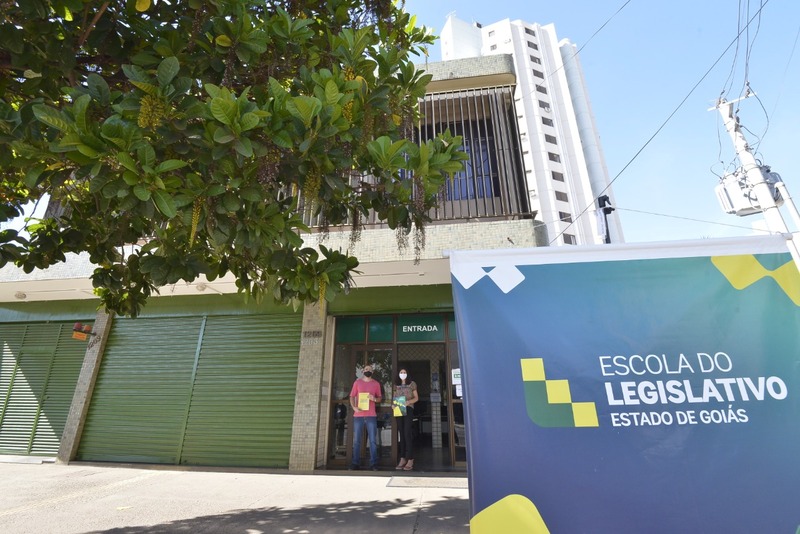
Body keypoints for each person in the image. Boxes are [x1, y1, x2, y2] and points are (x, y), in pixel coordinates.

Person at [349, 363, 382, 470]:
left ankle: (374, 464)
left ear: (372, 372)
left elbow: (380, 398)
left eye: (370, 369)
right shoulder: (357, 382)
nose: (368, 370)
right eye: (366, 369)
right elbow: (352, 396)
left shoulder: (376, 384)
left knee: (372, 441)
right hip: (358, 415)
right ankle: (355, 463)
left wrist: (374, 399)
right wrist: (354, 407)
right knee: (357, 441)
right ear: (363, 371)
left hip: (371, 415)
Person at [393, 368, 419, 471]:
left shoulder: (412, 384)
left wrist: (409, 402)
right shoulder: (396, 385)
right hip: (399, 409)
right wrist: (393, 405)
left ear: (407, 374)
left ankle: (410, 458)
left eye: (404, 372)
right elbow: (394, 397)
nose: (403, 374)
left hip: (408, 408)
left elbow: (416, 398)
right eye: (401, 372)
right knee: (402, 433)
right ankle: (402, 458)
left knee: (407, 432)